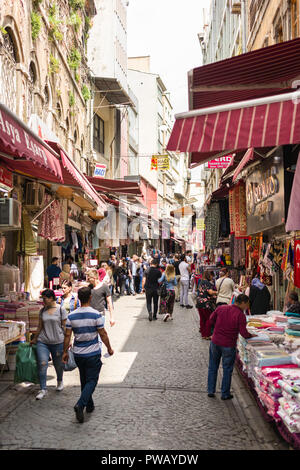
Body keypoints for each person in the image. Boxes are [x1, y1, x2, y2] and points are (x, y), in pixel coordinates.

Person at [62, 286, 114, 423]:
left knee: (84, 379)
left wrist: (64, 352)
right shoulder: (96, 314)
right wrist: (109, 348)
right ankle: (81, 404)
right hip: (93, 353)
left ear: (78, 298)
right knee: (92, 380)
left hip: (78, 353)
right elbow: (102, 334)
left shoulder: (71, 316)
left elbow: (67, 336)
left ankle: (89, 405)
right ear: (90, 297)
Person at [207, 294, 255, 400]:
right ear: (242, 303)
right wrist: (252, 335)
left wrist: (218, 328)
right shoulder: (240, 315)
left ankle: (211, 390)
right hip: (228, 344)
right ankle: (225, 393)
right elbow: (244, 333)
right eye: (247, 304)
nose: (247, 307)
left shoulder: (221, 308)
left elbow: (211, 319)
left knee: (213, 366)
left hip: (215, 342)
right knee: (227, 369)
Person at [31, 289, 67, 400]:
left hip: (58, 342)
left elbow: (65, 327)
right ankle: (43, 388)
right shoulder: (42, 311)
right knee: (42, 364)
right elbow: (40, 326)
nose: (43, 301)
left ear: (51, 298)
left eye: (44, 298)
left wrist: (68, 341)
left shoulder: (61, 309)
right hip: (43, 341)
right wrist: (35, 338)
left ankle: (60, 380)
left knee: (58, 364)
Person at [196, 271, 217, 339]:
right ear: (209, 275)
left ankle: (203, 333)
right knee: (208, 318)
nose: (212, 278)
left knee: (202, 319)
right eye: (212, 276)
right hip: (205, 303)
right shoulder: (207, 282)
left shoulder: (201, 281)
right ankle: (207, 334)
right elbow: (210, 292)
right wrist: (217, 292)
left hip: (199, 302)